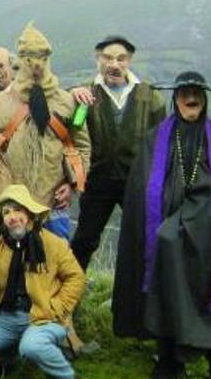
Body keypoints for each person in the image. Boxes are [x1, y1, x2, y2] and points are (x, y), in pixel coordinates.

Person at [112, 71, 211, 379]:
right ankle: (169, 358)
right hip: (168, 222)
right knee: (165, 242)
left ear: (204, 100)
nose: (191, 98)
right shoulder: (157, 139)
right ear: (176, 99)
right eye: (185, 93)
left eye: (197, 93)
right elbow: (142, 190)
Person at [0, 184, 86, 379]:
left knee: (33, 346)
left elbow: (76, 278)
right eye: (6, 212)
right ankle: (10, 359)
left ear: (29, 214)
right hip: (5, 316)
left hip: (44, 316)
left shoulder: (53, 244)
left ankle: (66, 378)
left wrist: (57, 307)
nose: (12, 217)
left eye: (17, 210)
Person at [0, 23, 91, 239]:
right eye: (29, 58)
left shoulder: (67, 102)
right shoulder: (0, 102)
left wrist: (72, 185)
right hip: (12, 205)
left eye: (41, 57)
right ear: (19, 61)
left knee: (54, 267)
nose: (36, 64)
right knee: (12, 268)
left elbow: (81, 146)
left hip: (54, 205)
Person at [68, 36, 166, 270]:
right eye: (108, 57)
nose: (114, 64)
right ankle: (66, 300)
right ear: (98, 59)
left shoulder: (150, 96)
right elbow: (70, 130)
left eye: (121, 58)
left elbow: (160, 143)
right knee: (84, 240)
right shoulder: (85, 93)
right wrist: (72, 94)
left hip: (136, 183)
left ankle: (143, 299)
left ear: (129, 61)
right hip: (96, 182)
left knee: (145, 239)